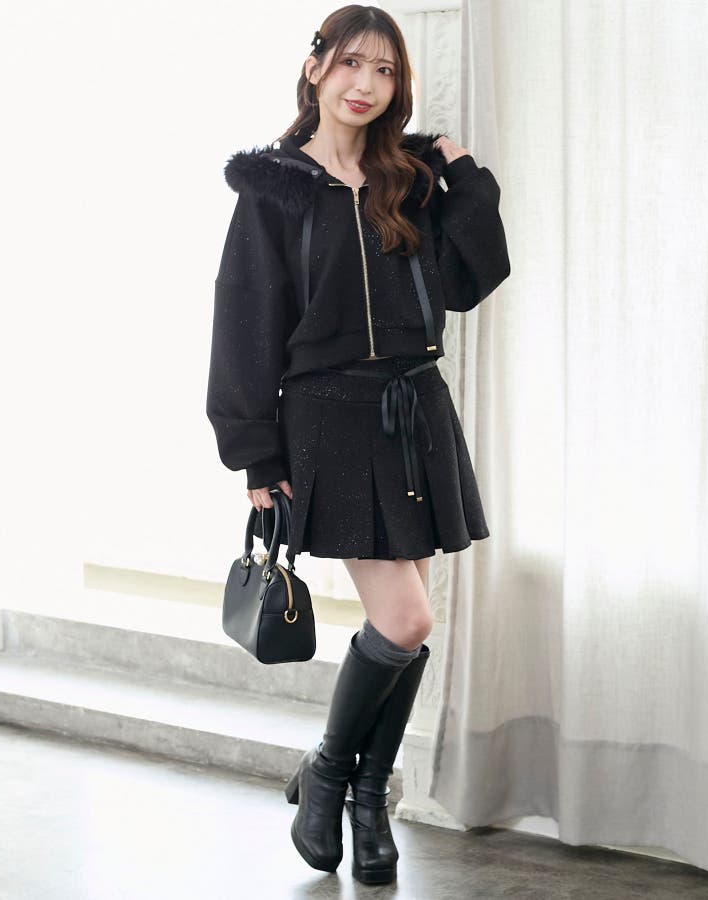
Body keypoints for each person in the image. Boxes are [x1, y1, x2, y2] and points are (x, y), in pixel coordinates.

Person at [205, 4, 510, 886]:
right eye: (350, 64)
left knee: (402, 625)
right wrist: (255, 454)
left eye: (384, 71)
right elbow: (244, 321)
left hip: (415, 409)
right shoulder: (275, 189)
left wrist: (464, 178)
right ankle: (335, 773)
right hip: (329, 417)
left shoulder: (404, 181)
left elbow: (471, 278)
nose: (365, 85)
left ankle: (363, 794)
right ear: (316, 69)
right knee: (407, 619)